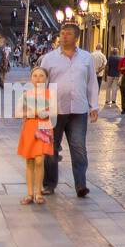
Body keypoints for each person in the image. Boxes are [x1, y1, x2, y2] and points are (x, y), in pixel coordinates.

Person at [39, 22, 99, 198]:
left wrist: (93, 106)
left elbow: (92, 83)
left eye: (68, 34)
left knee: (79, 147)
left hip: (78, 110)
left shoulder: (86, 58)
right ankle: (49, 184)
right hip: (54, 110)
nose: (64, 36)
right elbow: (42, 83)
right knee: (51, 148)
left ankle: (81, 184)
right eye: (62, 33)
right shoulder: (49, 59)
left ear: (76, 37)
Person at [16, 66, 53, 205]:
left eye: (41, 75)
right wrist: (33, 113)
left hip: (44, 128)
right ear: (31, 79)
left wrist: (46, 113)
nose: (38, 78)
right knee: (30, 161)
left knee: (39, 160)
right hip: (30, 128)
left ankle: (38, 192)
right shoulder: (26, 95)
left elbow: (54, 112)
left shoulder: (51, 94)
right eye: (35, 75)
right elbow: (17, 113)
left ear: (46, 78)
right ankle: (30, 193)